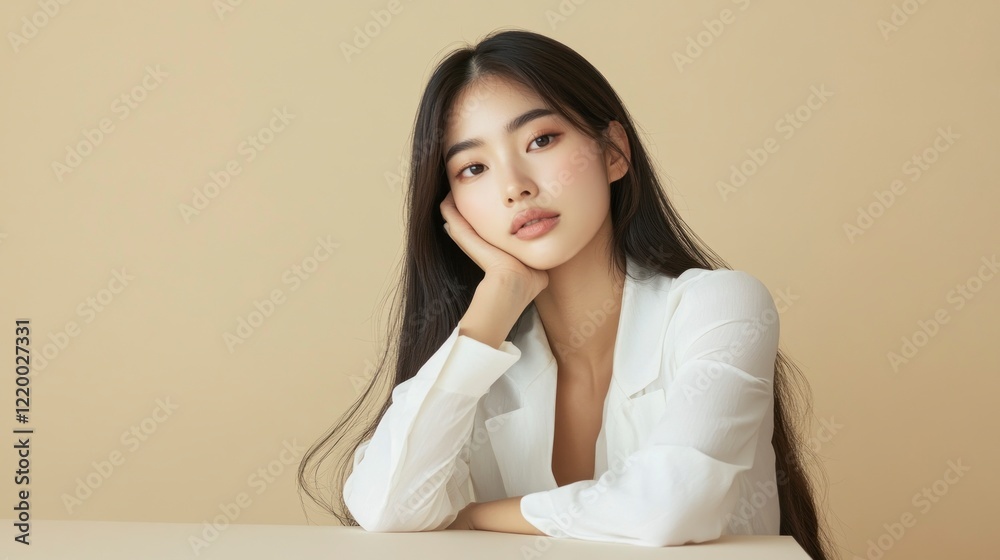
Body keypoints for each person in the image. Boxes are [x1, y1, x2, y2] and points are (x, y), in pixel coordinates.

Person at [298, 28, 835, 559]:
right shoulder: (482, 361)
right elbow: (386, 508)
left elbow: (670, 506)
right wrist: (493, 305)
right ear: (453, 206)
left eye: (541, 140)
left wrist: (477, 516)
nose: (515, 186)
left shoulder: (720, 306)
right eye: (474, 168)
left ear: (614, 152)